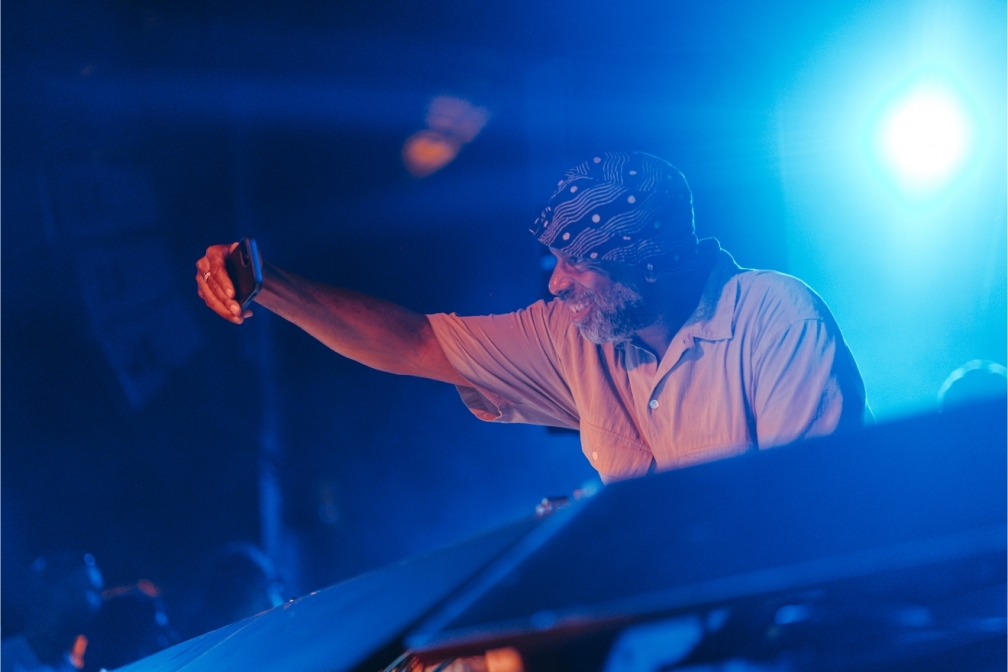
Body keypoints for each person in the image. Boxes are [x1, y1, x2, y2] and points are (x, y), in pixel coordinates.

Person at [196, 152, 869, 482]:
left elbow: (806, 523)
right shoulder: (575, 335)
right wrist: (264, 283)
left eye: (577, 262)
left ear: (648, 262)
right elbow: (415, 341)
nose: (556, 283)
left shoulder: (776, 318)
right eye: (555, 260)